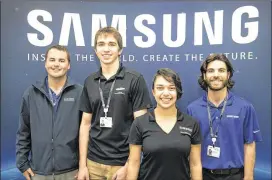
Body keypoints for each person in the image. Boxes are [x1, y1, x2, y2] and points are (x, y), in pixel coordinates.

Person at [77, 27, 151, 180]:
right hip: (93, 163)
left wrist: (129, 165)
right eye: (101, 44)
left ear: (120, 50)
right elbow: (85, 124)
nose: (106, 49)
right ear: (95, 50)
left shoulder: (134, 79)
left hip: (122, 163)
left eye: (111, 44)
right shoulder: (90, 81)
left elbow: (141, 126)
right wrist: (82, 165)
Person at [187, 53, 263, 180]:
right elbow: (191, 150)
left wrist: (248, 177)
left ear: (228, 75)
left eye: (221, 70)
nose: (216, 75)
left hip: (235, 175)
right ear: (204, 75)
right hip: (203, 175)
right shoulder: (192, 109)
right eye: (211, 70)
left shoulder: (245, 107)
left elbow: (249, 145)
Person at [16, 45, 83, 180]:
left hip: (72, 172)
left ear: (68, 65)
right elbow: (24, 131)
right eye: (52, 60)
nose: (56, 64)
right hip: (39, 173)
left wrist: (83, 166)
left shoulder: (80, 93)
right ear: (45, 63)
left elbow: (87, 132)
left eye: (62, 60)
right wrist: (22, 163)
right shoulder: (31, 93)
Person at [127, 68, 202, 180]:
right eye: (160, 88)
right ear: (153, 92)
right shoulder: (140, 123)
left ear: (177, 91)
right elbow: (134, 163)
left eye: (171, 88)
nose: (166, 93)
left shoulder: (191, 124)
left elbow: (195, 165)